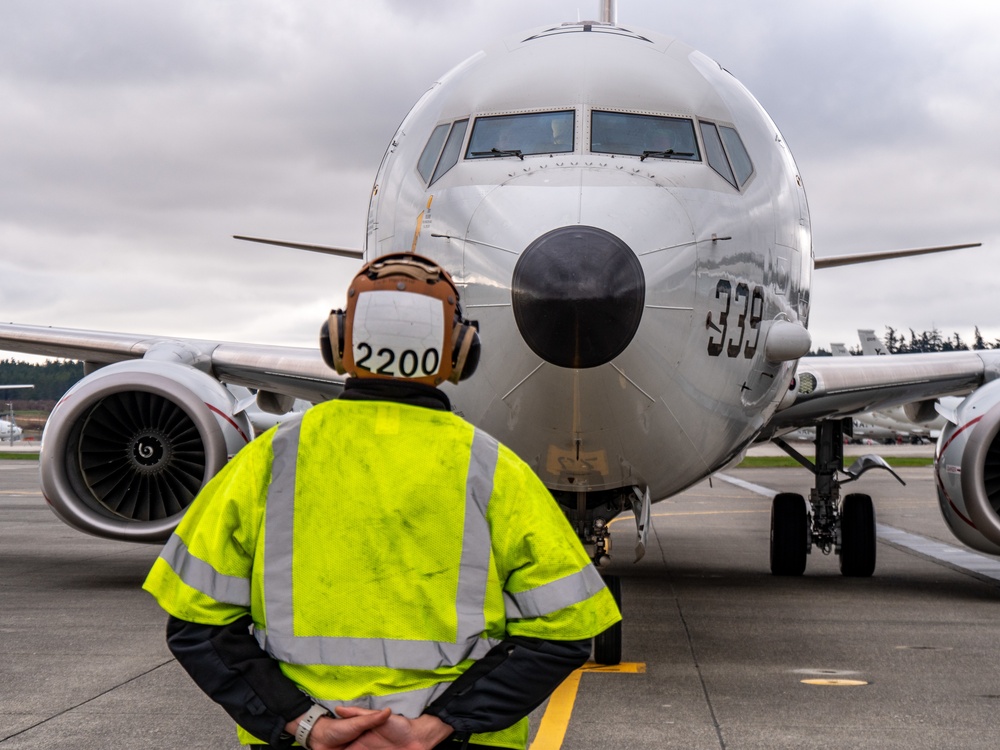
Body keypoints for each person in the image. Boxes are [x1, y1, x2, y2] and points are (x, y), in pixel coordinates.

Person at [143, 252, 622, 749]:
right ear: (459, 351)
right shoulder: (496, 471)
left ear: (337, 343)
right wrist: (434, 728)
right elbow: (565, 631)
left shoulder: (267, 462)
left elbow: (197, 629)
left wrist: (308, 724)